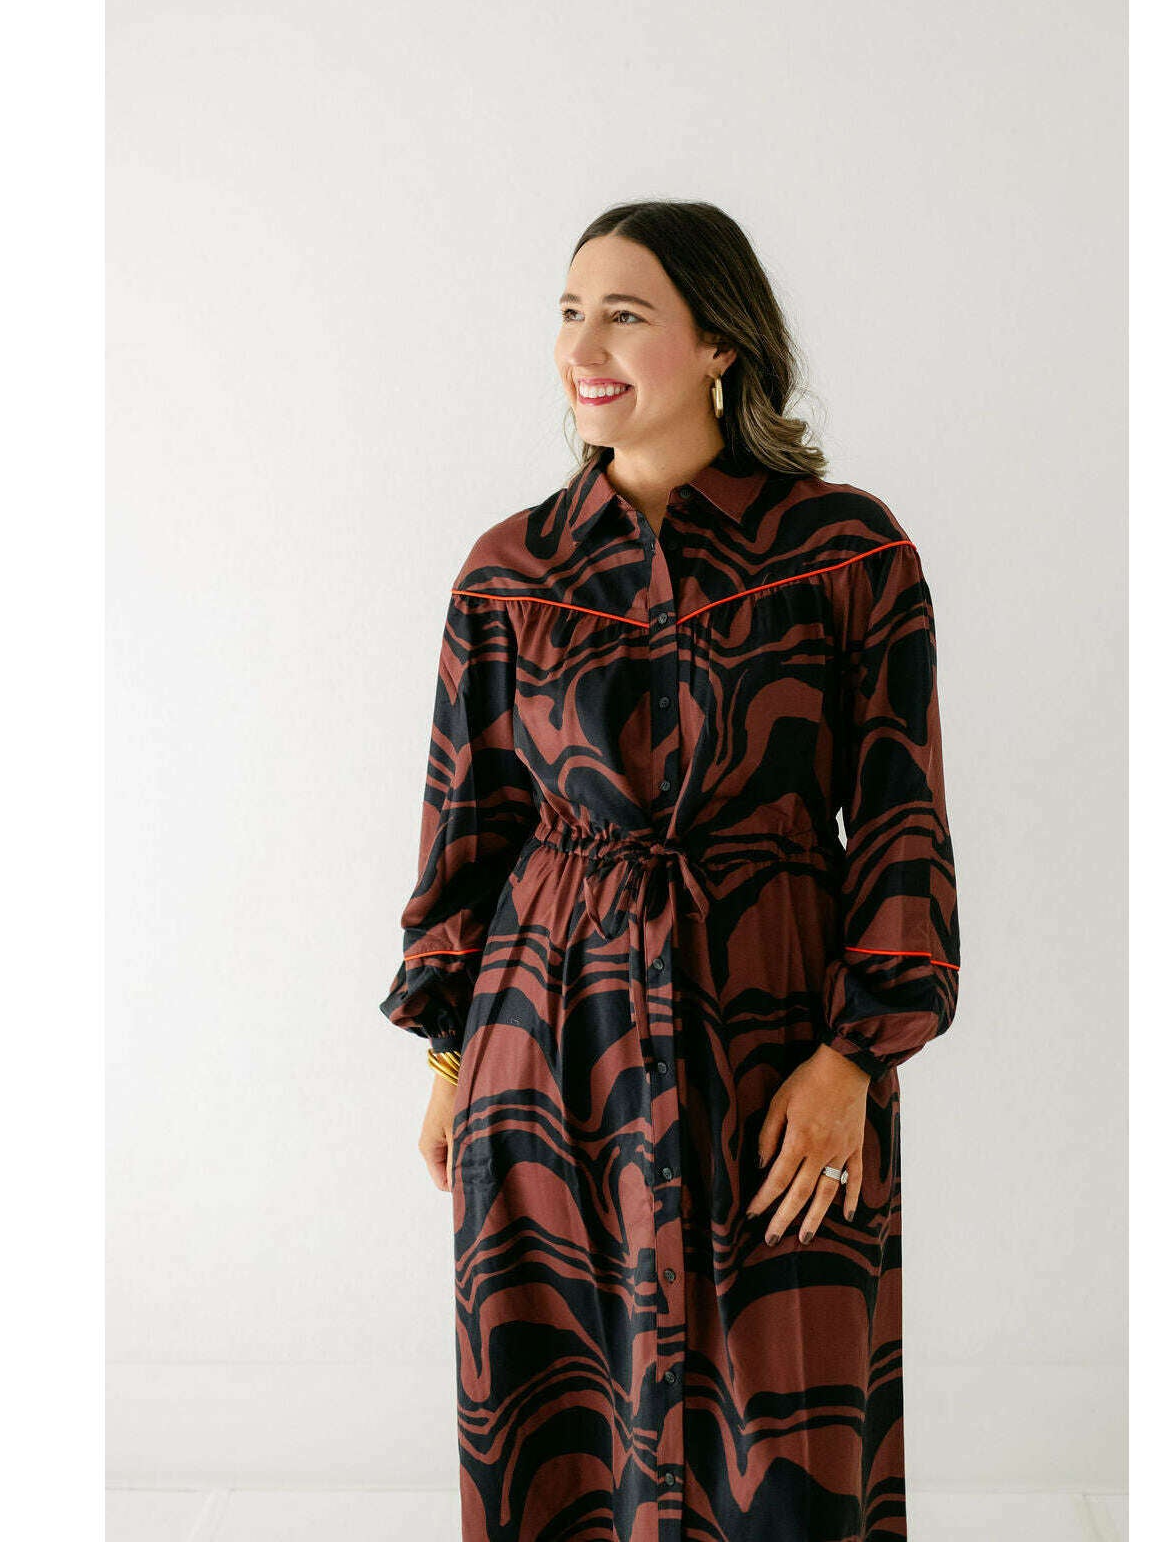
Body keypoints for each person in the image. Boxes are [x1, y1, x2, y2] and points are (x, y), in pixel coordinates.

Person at [381, 199, 961, 1542]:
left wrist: (854, 1060)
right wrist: (452, 1061)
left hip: (773, 1031)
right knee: (564, 1408)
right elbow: (467, 828)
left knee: (786, 1407)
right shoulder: (509, 572)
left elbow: (900, 818)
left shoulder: (847, 554)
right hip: (550, 1046)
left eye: (624, 314)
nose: (582, 348)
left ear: (719, 344)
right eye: (569, 313)